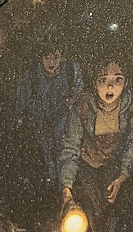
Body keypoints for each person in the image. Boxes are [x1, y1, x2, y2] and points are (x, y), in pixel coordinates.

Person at [59, 56, 133, 232]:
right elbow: (71, 146)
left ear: (126, 82)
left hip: (116, 167)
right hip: (88, 168)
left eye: (117, 79)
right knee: (92, 213)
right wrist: (66, 188)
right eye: (103, 80)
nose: (110, 86)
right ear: (94, 83)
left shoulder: (132, 108)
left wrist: (122, 176)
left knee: (118, 215)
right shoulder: (83, 107)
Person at [15, 40, 83, 182]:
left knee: (64, 148)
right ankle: (53, 180)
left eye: (56, 57)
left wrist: (73, 100)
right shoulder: (32, 75)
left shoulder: (70, 70)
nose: (52, 62)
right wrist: (19, 118)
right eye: (47, 58)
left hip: (63, 118)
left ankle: (64, 180)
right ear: (41, 58)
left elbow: (79, 89)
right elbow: (22, 100)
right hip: (40, 120)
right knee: (46, 152)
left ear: (62, 57)